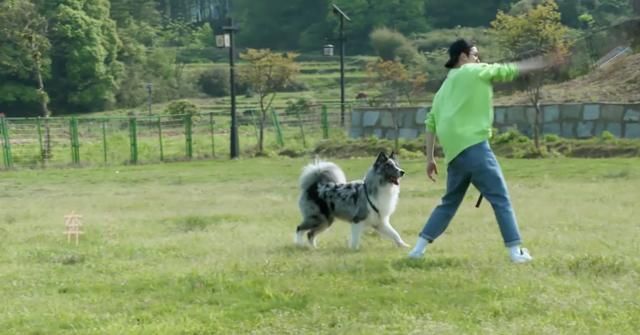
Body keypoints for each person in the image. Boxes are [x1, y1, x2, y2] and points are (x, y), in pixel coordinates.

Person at [408, 39, 559, 263]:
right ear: (463, 56)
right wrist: (541, 63)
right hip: (475, 147)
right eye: (475, 54)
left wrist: (430, 158)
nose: (479, 59)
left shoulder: (443, 89)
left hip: (454, 155)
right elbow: (507, 70)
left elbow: (430, 123)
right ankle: (516, 253)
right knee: (501, 199)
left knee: (449, 203)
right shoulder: (473, 71)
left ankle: (417, 250)